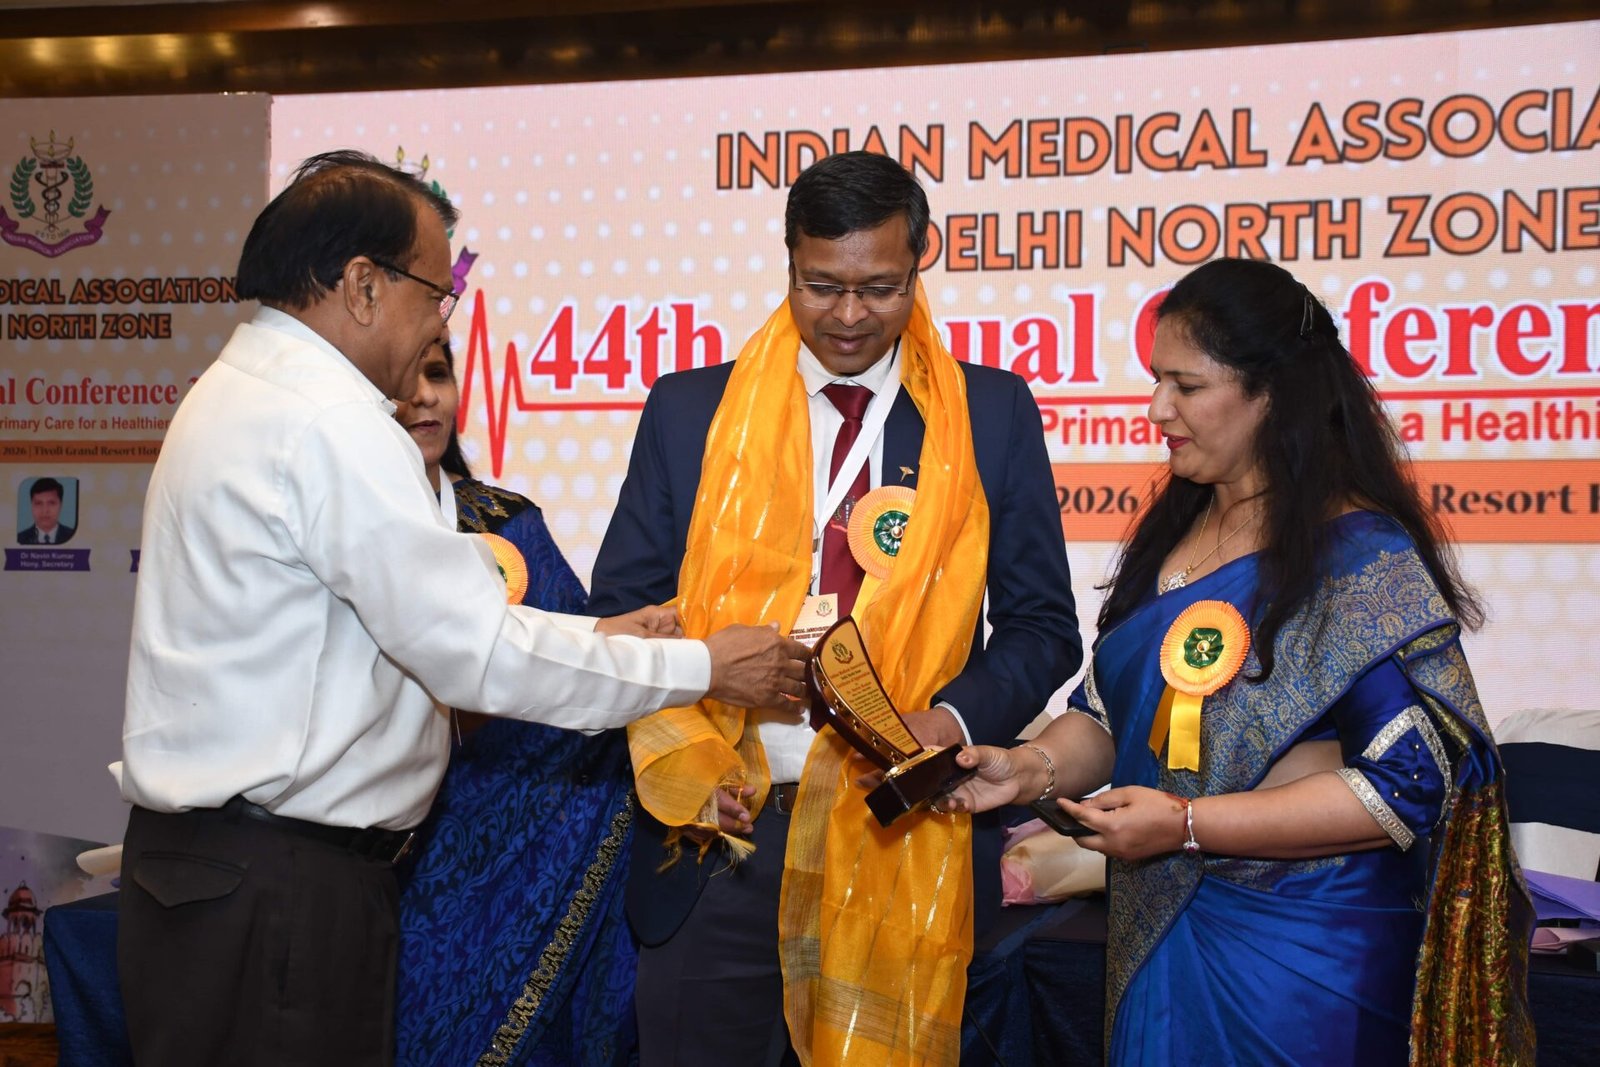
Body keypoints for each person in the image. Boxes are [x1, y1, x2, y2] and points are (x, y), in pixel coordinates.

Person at [117, 149, 809, 1067]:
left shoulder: (241, 393)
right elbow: (473, 654)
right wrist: (705, 667)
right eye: (436, 293)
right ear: (363, 284)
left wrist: (594, 633)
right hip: (280, 888)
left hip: (227, 874)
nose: (442, 320)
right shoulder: (331, 422)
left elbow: (405, 622)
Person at [938, 257, 1534, 1065]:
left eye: (1186, 386)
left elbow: (1407, 784)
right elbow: (1107, 716)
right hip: (1156, 934)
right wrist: (1028, 768)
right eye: (1157, 381)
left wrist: (1186, 824)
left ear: (1272, 394)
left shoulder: (1358, 556)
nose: (1158, 408)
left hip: (1306, 964)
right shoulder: (1175, 530)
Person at [589, 150, 1081, 1066]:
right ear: (787, 263)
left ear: (920, 264)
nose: (849, 315)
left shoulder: (987, 413)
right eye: (822, 286)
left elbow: (1043, 627)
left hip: (902, 828)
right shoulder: (691, 411)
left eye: (880, 289)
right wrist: (691, 763)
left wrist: (945, 721)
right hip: (723, 835)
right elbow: (623, 614)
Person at [391, 341, 640, 1066]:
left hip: (528, 833)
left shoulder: (508, 522)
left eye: (438, 374)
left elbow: (583, 675)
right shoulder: (352, 530)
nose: (425, 397)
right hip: (388, 846)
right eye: (405, 380)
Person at [17, 477, 74, 544]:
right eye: (38, 503)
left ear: (60, 505)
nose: (45, 511)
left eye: (51, 503)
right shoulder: (20, 539)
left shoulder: (73, 536)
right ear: (31, 505)